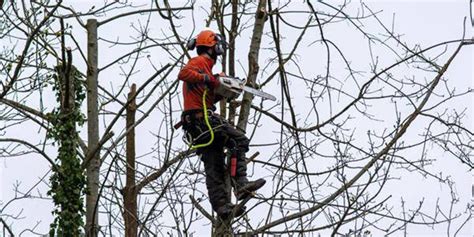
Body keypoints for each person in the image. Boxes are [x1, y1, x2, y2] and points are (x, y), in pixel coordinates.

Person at [178, 29, 266, 218]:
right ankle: (241, 184)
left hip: (197, 125)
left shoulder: (206, 69)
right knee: (238, 140)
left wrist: (225, 90)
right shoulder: (200, 62)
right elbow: (184, 73)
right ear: (213, 47)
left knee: (214, 166)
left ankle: (223, 208)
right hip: (202, 121)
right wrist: (209, 79)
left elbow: (206, 97)